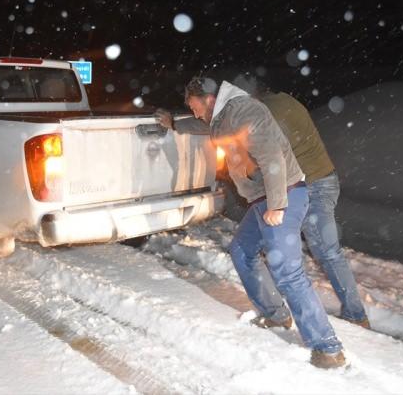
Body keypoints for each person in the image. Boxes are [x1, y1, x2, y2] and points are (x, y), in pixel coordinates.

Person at [156, 79, 370, 330]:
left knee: (322, 252)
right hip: (307, 182)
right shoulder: (276, 102)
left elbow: (269, 155)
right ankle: (286, 313)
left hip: (311, 184)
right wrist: (178, 124)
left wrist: (273, 201)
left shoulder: (262, 111)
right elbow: (217, 124)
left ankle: (348, 319)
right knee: (269, 253)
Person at [180, 76, 346, 369]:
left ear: (208, 99)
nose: (194, 114)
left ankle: (328, 347)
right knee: (242, 251)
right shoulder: (221, 117)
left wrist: (278, 204)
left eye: (194, 106)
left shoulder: (243, 110)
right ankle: (276, 314)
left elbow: (272, 156)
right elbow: (203, 126)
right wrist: (173, 124)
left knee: (287, 271)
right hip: (262, 201)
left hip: (284, 197)